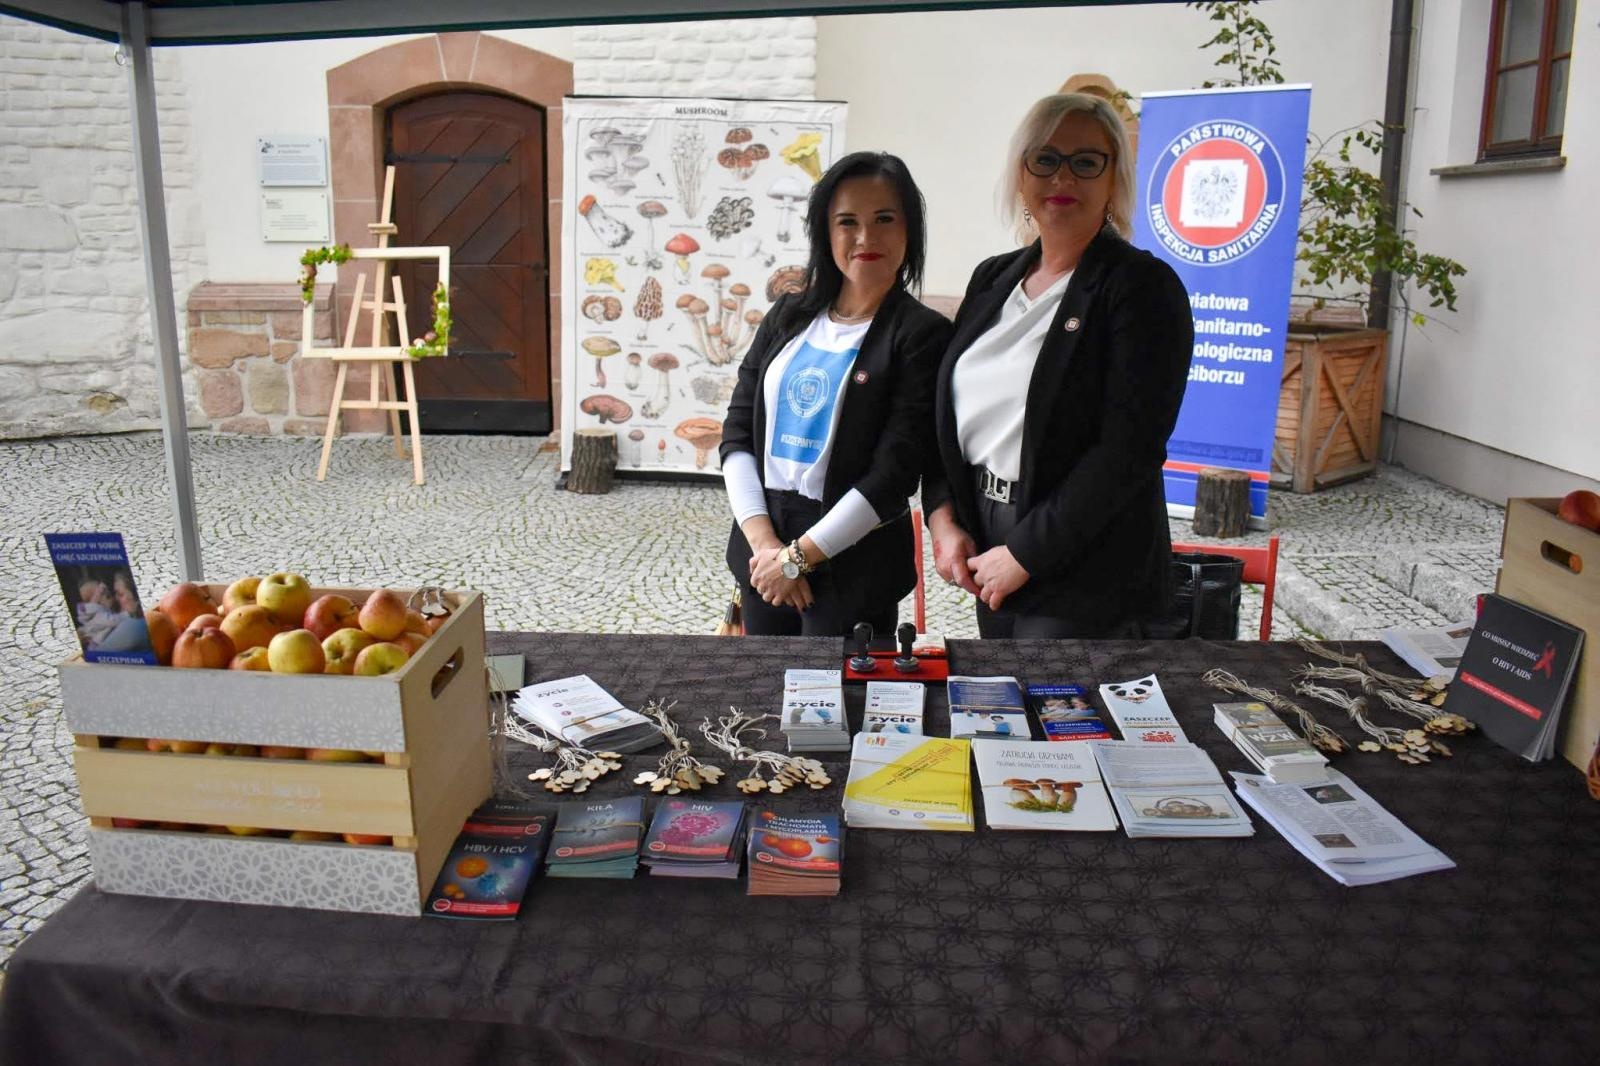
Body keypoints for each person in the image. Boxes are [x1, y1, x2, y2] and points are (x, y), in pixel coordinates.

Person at [924, 93, 1194, 638]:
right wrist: (943, 518)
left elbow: (1130, 449)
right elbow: (947, 414)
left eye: (1086, 161)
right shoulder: (991, 279)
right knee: (1004, 719)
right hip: (987, 547)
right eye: (1044, 159)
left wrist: (1025, 552)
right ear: (1021, 175)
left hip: (1086, 571)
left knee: (1060, 719)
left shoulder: (1141, 287)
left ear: (1113, 176)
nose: (1061, 176)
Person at [721, 152, 953, 636]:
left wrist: (797, 560)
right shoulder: (789, 314)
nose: (865, 237)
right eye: (847, 221)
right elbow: (738, 430)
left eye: (884, 219)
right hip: (764, 551)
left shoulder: (921, 335)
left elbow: (894, 473)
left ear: (910, 231)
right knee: (761, 693)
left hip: (851, 561)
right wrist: (767, 548)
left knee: (844, 703)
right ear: (825, 233)